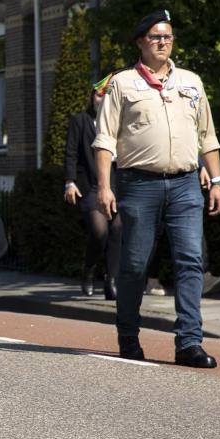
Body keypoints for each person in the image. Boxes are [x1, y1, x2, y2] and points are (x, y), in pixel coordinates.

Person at [94, 10, 220, 368]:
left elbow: (207, 136)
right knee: (134, 265)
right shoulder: (121, 83)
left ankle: (189, 343)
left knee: (191, 261)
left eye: (167, 37)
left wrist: (218, 180)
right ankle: (128, 336)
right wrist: (105, 186)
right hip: (139, 184)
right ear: (140, 42)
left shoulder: (192, 82)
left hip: (185, 184)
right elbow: (104, 140)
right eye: (155, 37)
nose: (163, 42)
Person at [64, 86, 122, 299]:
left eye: (108, 95)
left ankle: (111, 280)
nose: (103, 99)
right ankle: (88, 270)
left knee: (118, 229)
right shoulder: (80, 121)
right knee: (100, 232)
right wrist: (69, 182)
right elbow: (71, 152)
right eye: (99, 95)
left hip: (118, 184)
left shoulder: (120, 120)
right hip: (91, 185)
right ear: (92, 97)